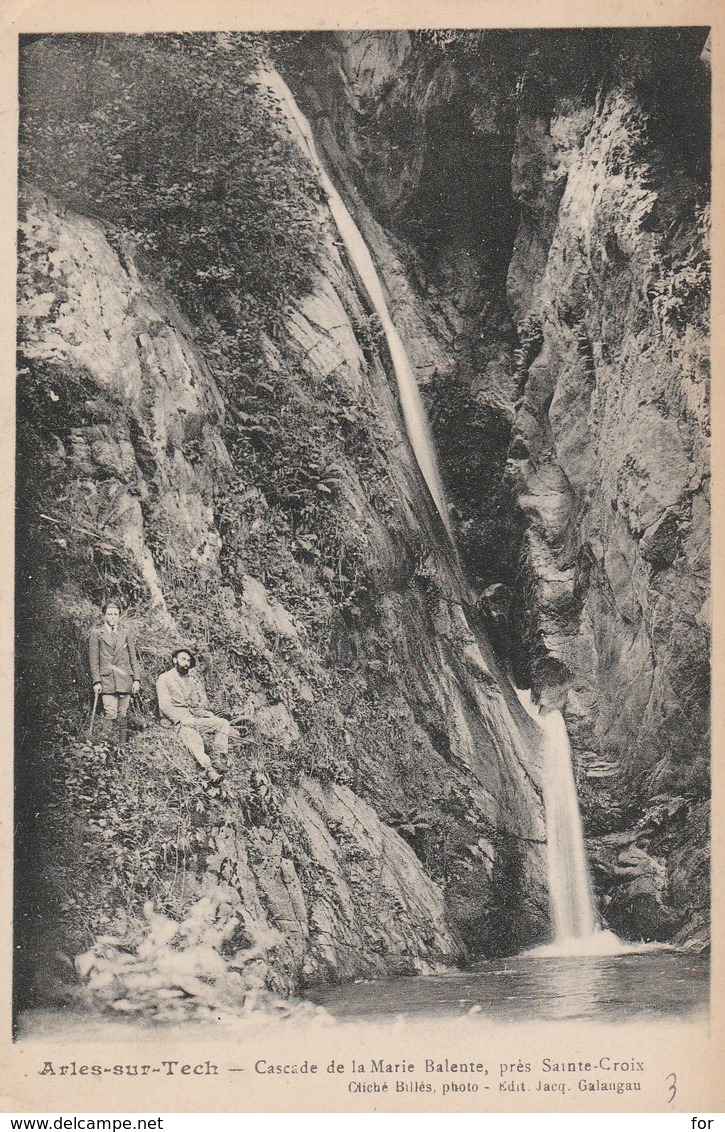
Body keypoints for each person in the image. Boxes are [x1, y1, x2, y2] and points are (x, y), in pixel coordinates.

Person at [156, 646, 238, 783]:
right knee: (193, 737)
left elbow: (194, 706)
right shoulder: (164, 679)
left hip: (192, 717)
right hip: (177, 720)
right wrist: (181, 720)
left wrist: (207, 714)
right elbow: (164, 706)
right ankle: (209, 769)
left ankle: (219, 757)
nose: (186, 663)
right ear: (175, 660)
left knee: (222, 723)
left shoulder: (190, 681)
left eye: (188, 661)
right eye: (183, 659)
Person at [88, 600, 141, 751]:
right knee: (110, 712)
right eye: (109, 614)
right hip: (107, 680)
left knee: (122, 714)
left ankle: (122, 748)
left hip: (125, 679)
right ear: (104, 616)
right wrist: (96, 681)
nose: (113, 617)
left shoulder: (125, 633)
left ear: (119, 616)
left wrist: (136, 679)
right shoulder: (97, 634)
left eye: (116, 614)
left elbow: (133, 658)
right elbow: (94, 661)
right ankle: (108, 748)